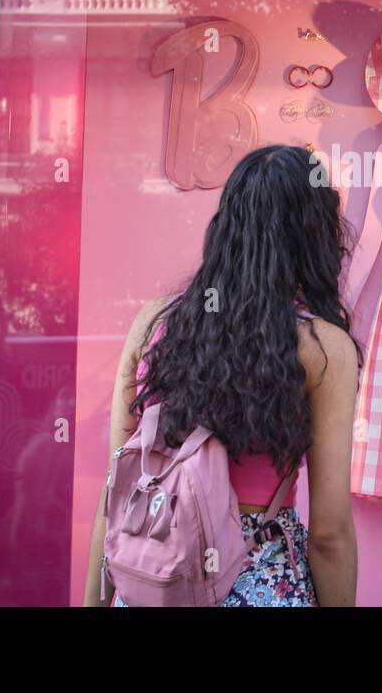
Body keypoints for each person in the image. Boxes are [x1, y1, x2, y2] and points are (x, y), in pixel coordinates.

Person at [83, 144, 361, 606]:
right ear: (314, 235)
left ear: (226, 225)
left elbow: (116, 493)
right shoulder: (321, 348)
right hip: (260, 576)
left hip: (156, 573)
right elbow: (330, 533)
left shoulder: (154, 324)